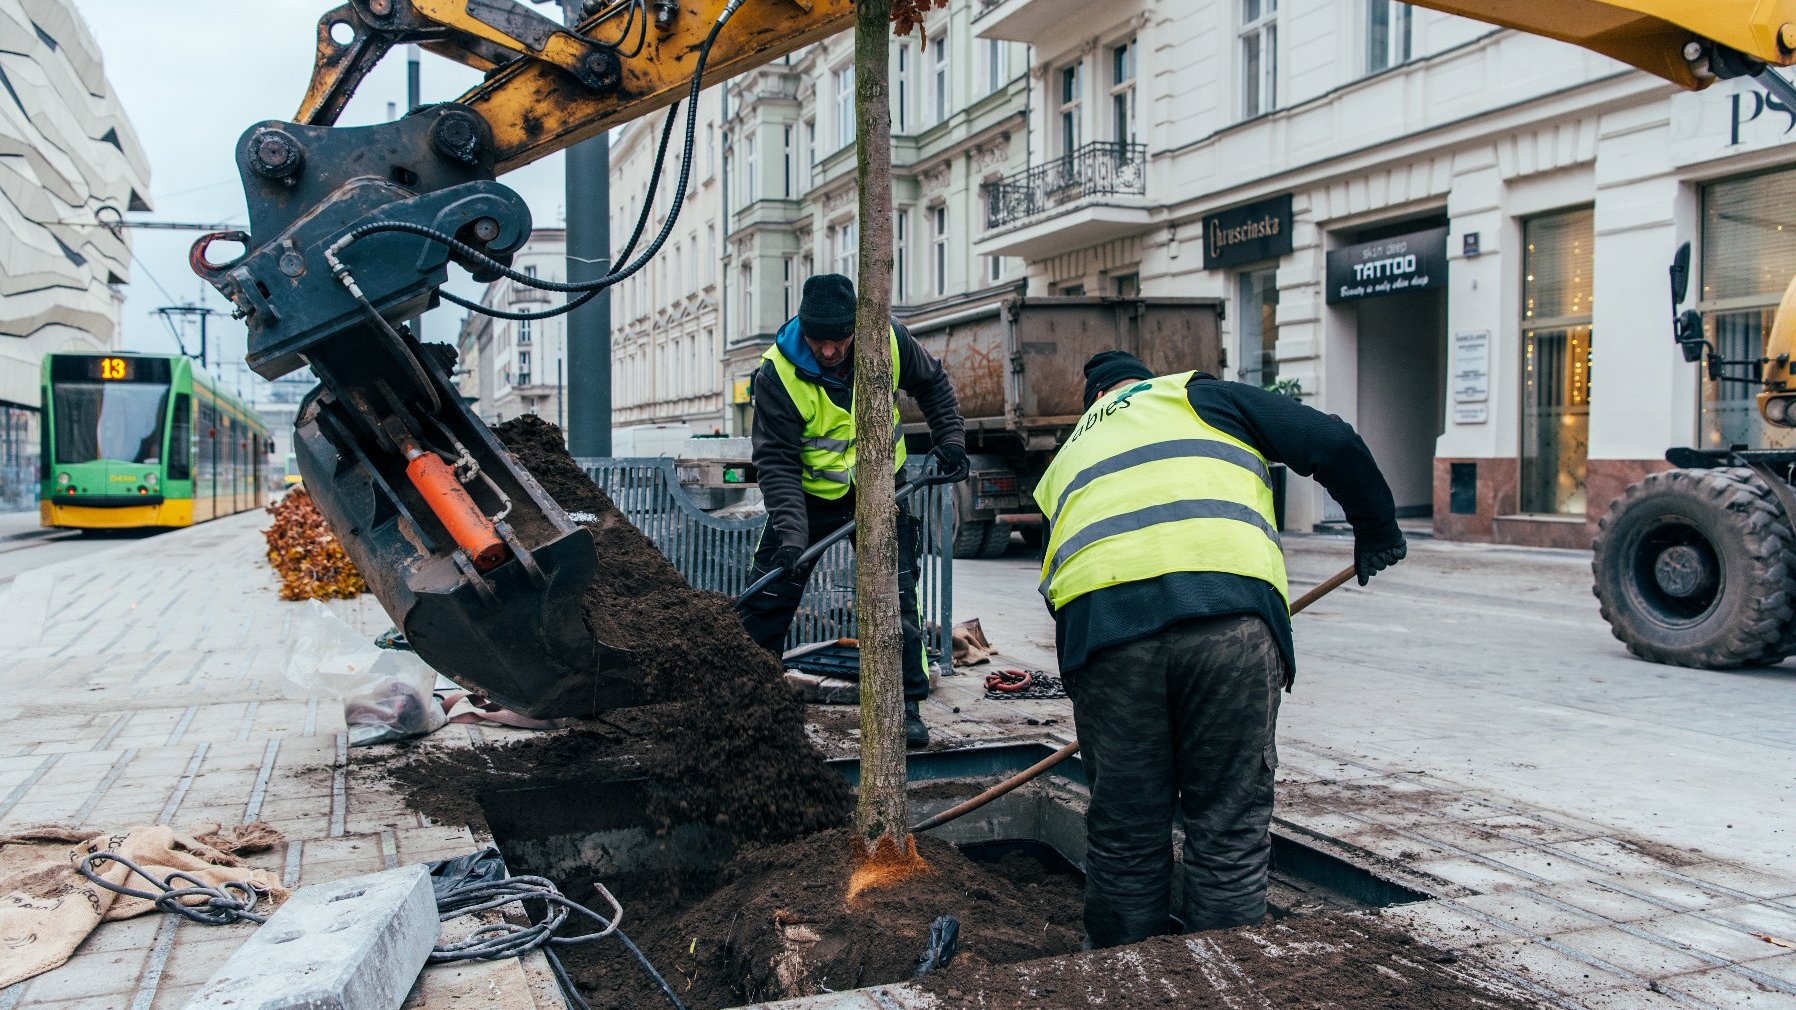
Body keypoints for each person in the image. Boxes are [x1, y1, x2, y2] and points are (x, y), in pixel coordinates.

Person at [1034, 350, 1406, 948]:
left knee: (1127, 835)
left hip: (1108, 639)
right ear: (1144, 383)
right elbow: (1331, 441)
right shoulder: (1197, 397)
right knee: (1227, 827)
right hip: (1229, 626)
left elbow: (1057, 583)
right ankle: (1223, 981)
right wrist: (1377, 529)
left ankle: (1127, 981)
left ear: (1093, 404)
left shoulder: (1066, 457)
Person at [741, 274, 969, 747]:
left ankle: (905, 704)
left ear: (855, 328)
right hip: (806, 496)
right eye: (818, 341)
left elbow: (933, 384)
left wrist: (950, 440)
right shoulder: (776, 373)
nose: (828, 351)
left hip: (882, 488)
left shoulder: (885, 338)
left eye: (838, 340)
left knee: (897, 598)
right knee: (768, 598)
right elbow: (777, 461)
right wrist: (790, 536)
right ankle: (748, 703)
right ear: (803, 330)